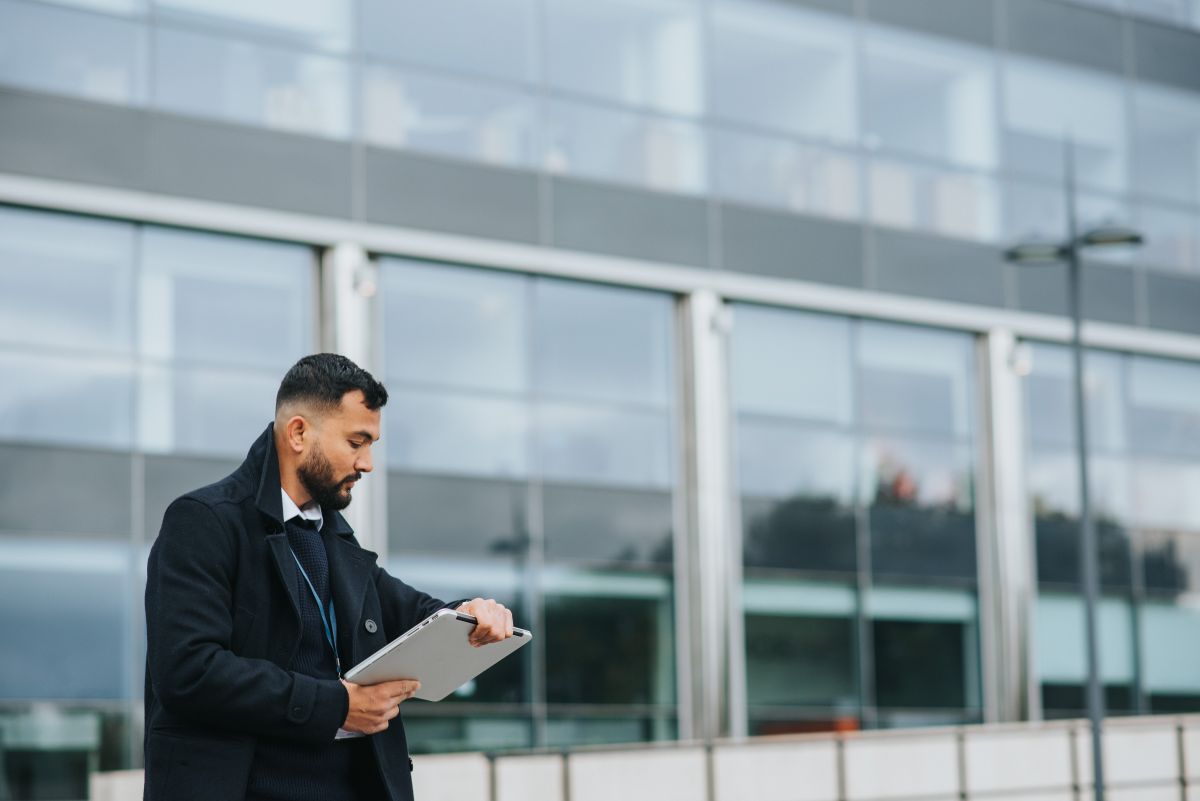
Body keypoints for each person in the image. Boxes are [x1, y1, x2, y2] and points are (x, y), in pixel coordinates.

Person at [144, 353, 514, 801]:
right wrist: (338, 706)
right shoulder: (204, 521)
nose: (367, 463)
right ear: (299, 432)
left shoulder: (335, 539)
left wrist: (469, 614)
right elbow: (189, 672)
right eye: (356, 442)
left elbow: (410, 611)